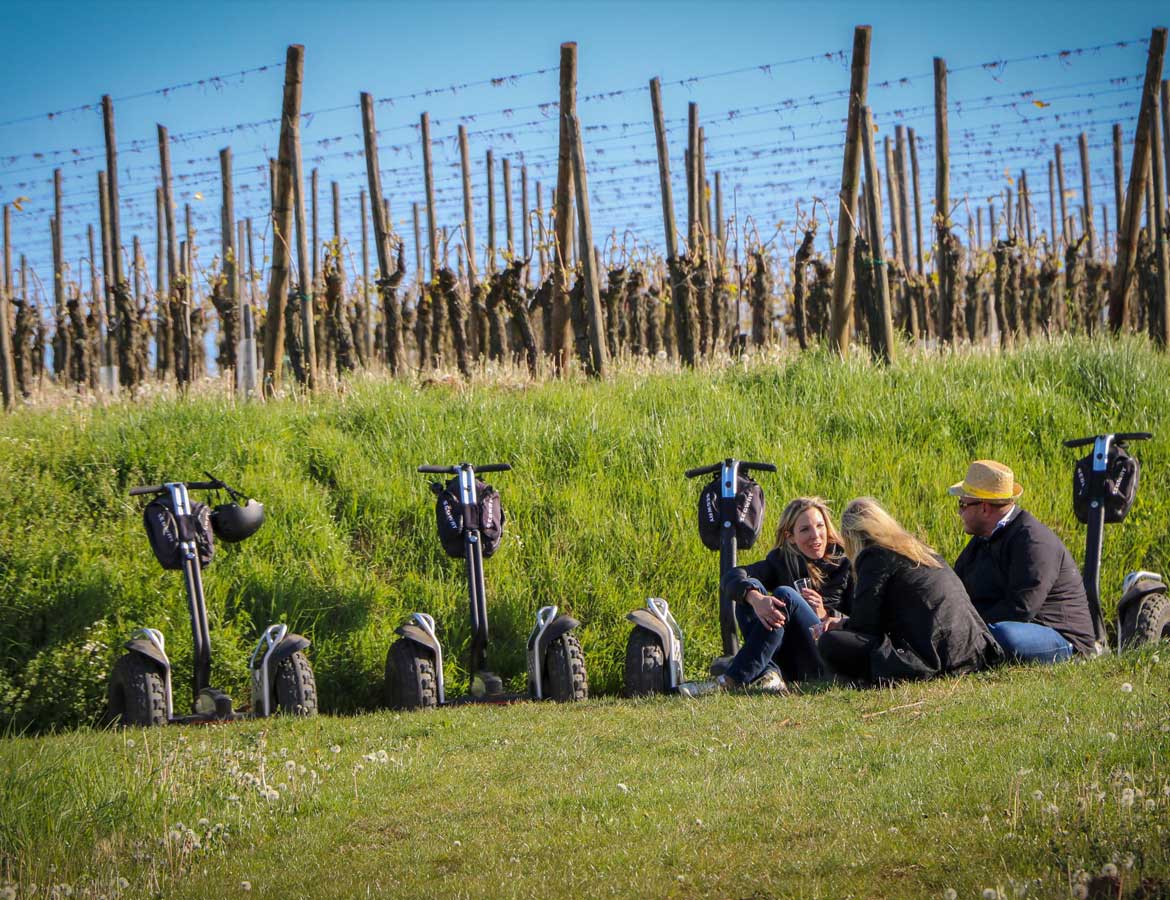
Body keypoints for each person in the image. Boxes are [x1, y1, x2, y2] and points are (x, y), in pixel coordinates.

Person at [817, 497, 1002, 683]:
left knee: (830, 642)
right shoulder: (920, 549)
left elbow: (865, 626)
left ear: (852, 537)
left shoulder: (874, 555)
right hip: (974, 649)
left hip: (933, 657)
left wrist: (841, 625)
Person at [950, 459, 1096, 662]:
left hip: (1060, 637)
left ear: (984, 508)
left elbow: (1022, 608)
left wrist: (970, 627)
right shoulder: (981, 540)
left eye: (962, 504)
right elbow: (957, 589)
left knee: (1003, 637)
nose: (959, 512)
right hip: (1007, 626)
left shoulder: (1034, 540)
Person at [717, 496, 854, 691]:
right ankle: (770, 673)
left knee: (785, 594)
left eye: (820, 526)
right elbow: (733, 576)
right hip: (790, 654)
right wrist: (755, 597)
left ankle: (734, 678)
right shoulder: (780, 561)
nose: (815, 535)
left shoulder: (844, 563)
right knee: (751, 587)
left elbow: (861, 621)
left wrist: (825, 615)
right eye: (805, 529)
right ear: (790, 536)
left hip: (823, 654)